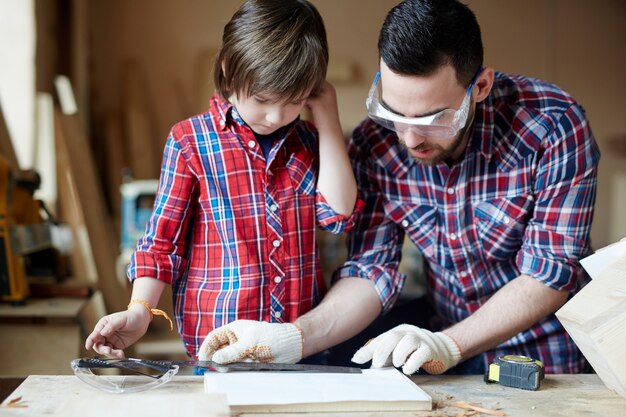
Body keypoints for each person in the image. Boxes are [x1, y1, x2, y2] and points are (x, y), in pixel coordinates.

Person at [329, 0, 600, 375]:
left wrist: (448, 344)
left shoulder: (552, 125)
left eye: (433, 118)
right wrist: (296, 337)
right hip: (445, 350)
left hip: (546, 354)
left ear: (481, 86)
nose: (408, 140)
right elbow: (369, 269)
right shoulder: (374, 144)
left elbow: (549, 272)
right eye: (394, 113)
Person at [85, 0, 361, 365]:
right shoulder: (190, 142)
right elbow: (161, 243)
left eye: (294, 101)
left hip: (296, 346)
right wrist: (139, 310)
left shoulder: (309, 142)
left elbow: (338, 216)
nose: (276, 115)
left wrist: (327, 117)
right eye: (262, 99)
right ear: (230, 71)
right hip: (219, 347)